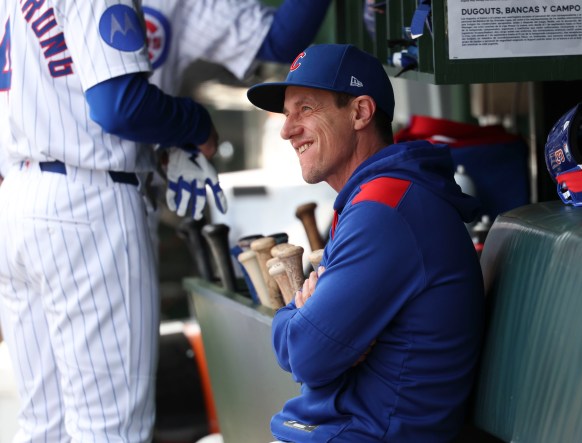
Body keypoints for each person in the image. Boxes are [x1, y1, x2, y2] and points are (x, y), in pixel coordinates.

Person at [0, 1, 219, 441]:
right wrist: (195, 124)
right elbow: (120, 105)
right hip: (86, 207)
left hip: (20, 196)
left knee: (45, 427)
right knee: (110, 430)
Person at [247, 44, 486, 442]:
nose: (288, 130)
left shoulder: (387, 210)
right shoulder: (374, 201)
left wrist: (304, 322)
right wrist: (302, 319)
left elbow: (307, 356)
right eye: (287, 114)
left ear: (360, 112)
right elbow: (307, 347)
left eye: (306, 109)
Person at [140, 0, 333, 224]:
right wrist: (193, 124)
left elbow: (278, 39)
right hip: (115, 187)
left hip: (131, 180)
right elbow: (117, 109)